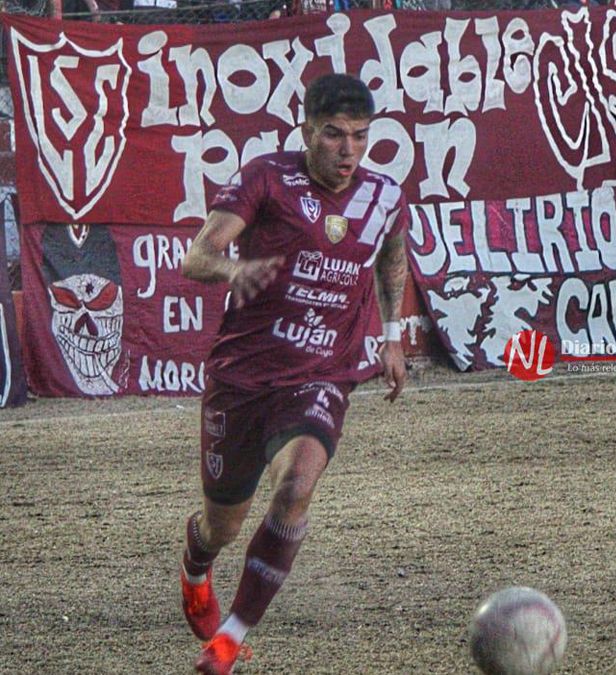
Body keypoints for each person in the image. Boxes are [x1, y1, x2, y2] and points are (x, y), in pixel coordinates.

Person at [178, 73, 410, 674]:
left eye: (360, 137)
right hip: (242, 376)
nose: (349, 151)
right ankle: (196, 566)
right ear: (306, 131)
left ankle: (228, 639)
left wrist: (390, 337)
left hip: (321, 374)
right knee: (221, 524)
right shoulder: (266, 177)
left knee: (297, 484)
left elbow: (391, 253)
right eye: (334, 136)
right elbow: (198, 254)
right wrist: (234, 272)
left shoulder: (383, 195)